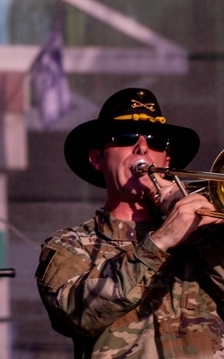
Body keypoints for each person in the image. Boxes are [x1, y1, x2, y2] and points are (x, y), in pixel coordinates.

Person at [36, 87, 224, 358]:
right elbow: (75, 315)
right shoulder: (69, 245)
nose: (143, 147)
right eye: (125, 136)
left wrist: (209, 237)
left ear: (167, 161)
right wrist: (161, 241)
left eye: (155, 140)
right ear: (97, 159)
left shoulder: (204, 237)